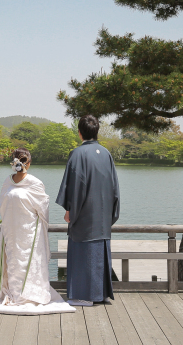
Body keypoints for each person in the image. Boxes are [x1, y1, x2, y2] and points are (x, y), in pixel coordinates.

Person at [56, 114, 120, 306]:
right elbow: (115, 188)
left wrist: (70, 211)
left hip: (84, 217)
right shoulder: (106, 153)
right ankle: (100, 295)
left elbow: (76, 186)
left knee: (83, 253)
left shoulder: (77, 154)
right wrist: (110, 215)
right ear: (96, 131)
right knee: (99, 255)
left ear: (79, 132)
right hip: (102, 218)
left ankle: (83, 296)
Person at [0, 148, 63, 306]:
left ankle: (30, 293)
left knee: (28, 261)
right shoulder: (8, 181)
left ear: (14, 162)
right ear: (29, 163)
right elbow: (43, 209)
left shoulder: (33, 183)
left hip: (29, 231)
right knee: (14, 262)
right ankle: (15, 292)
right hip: (12, 230)